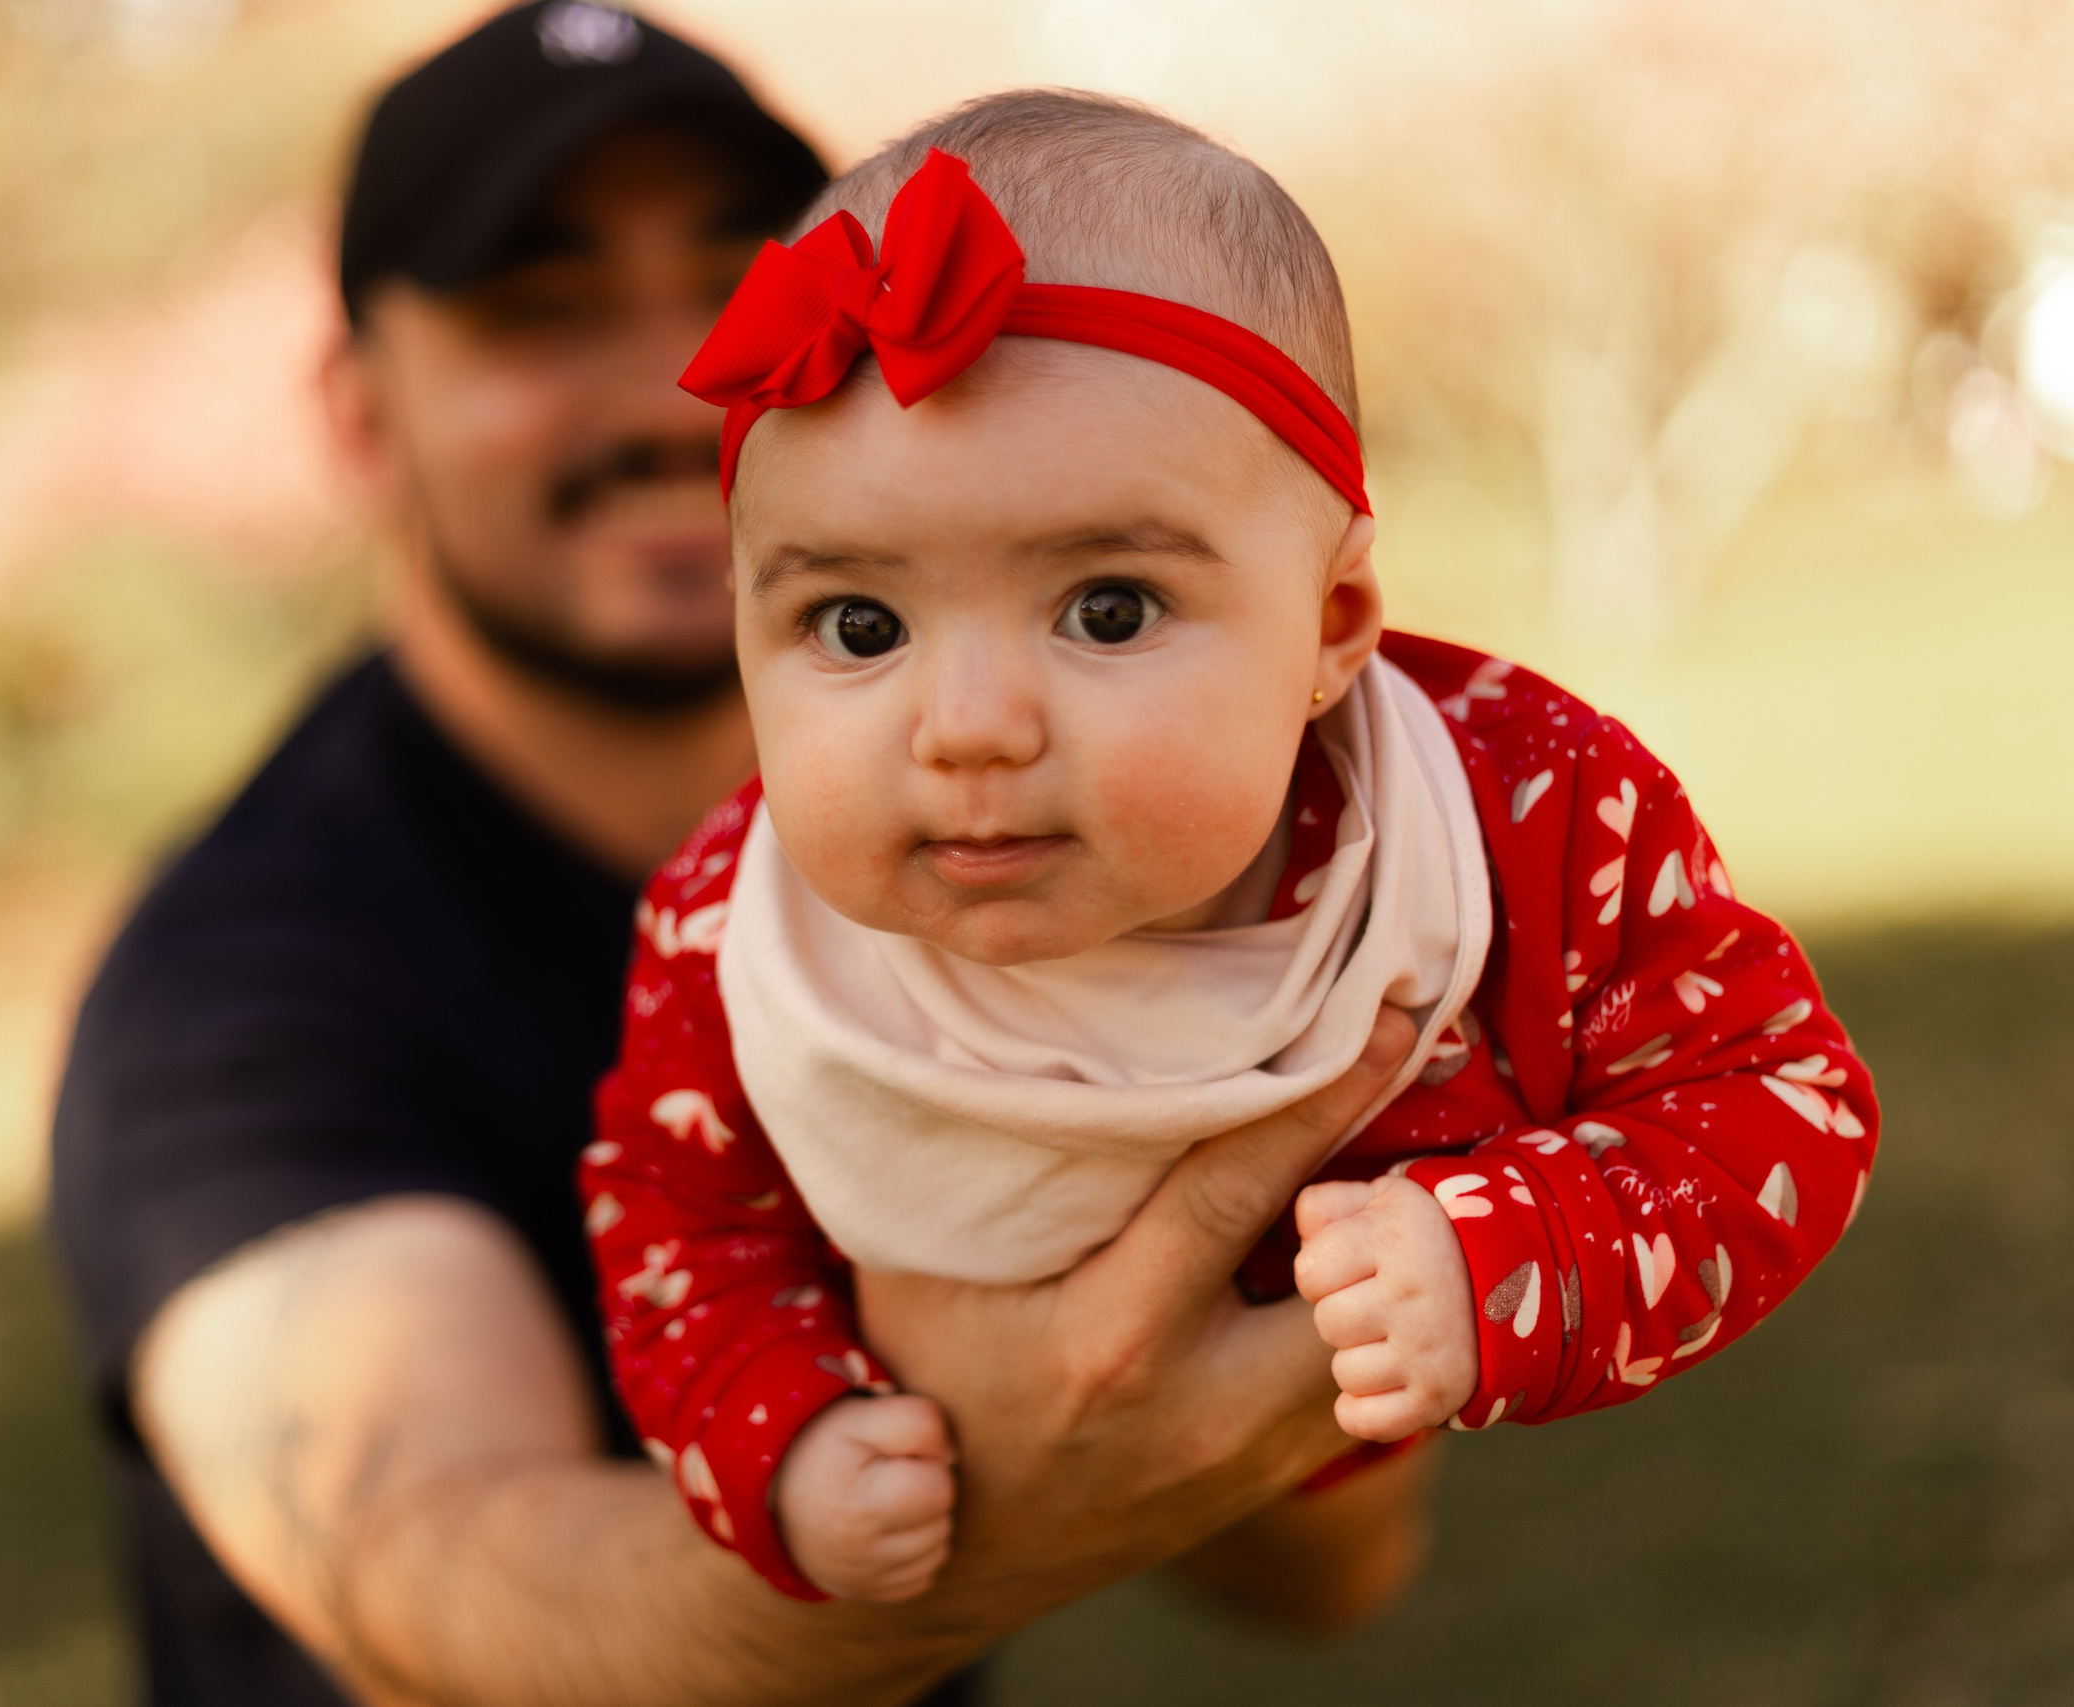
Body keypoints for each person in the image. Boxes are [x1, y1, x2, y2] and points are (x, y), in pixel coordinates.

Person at [49, 10, 1435, 1705]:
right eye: (539, 313)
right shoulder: (241, 980)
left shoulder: (1068, 848)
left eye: (733, 282)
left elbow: (1337, 1569)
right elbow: (413, 1543)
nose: (663, 383)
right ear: (356, 417)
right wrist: (966, 1517)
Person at [585, 91, 1879, 1604]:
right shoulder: (736, 937)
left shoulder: (1520, 808)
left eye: (1108, 609)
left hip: (1323, 1450)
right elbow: (676, 1222)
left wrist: (1502, 1254)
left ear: (1331, 624)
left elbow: (1774, 1101)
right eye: (857, 626)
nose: (972, 728)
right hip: (960, 1456)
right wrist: (779, 1435)